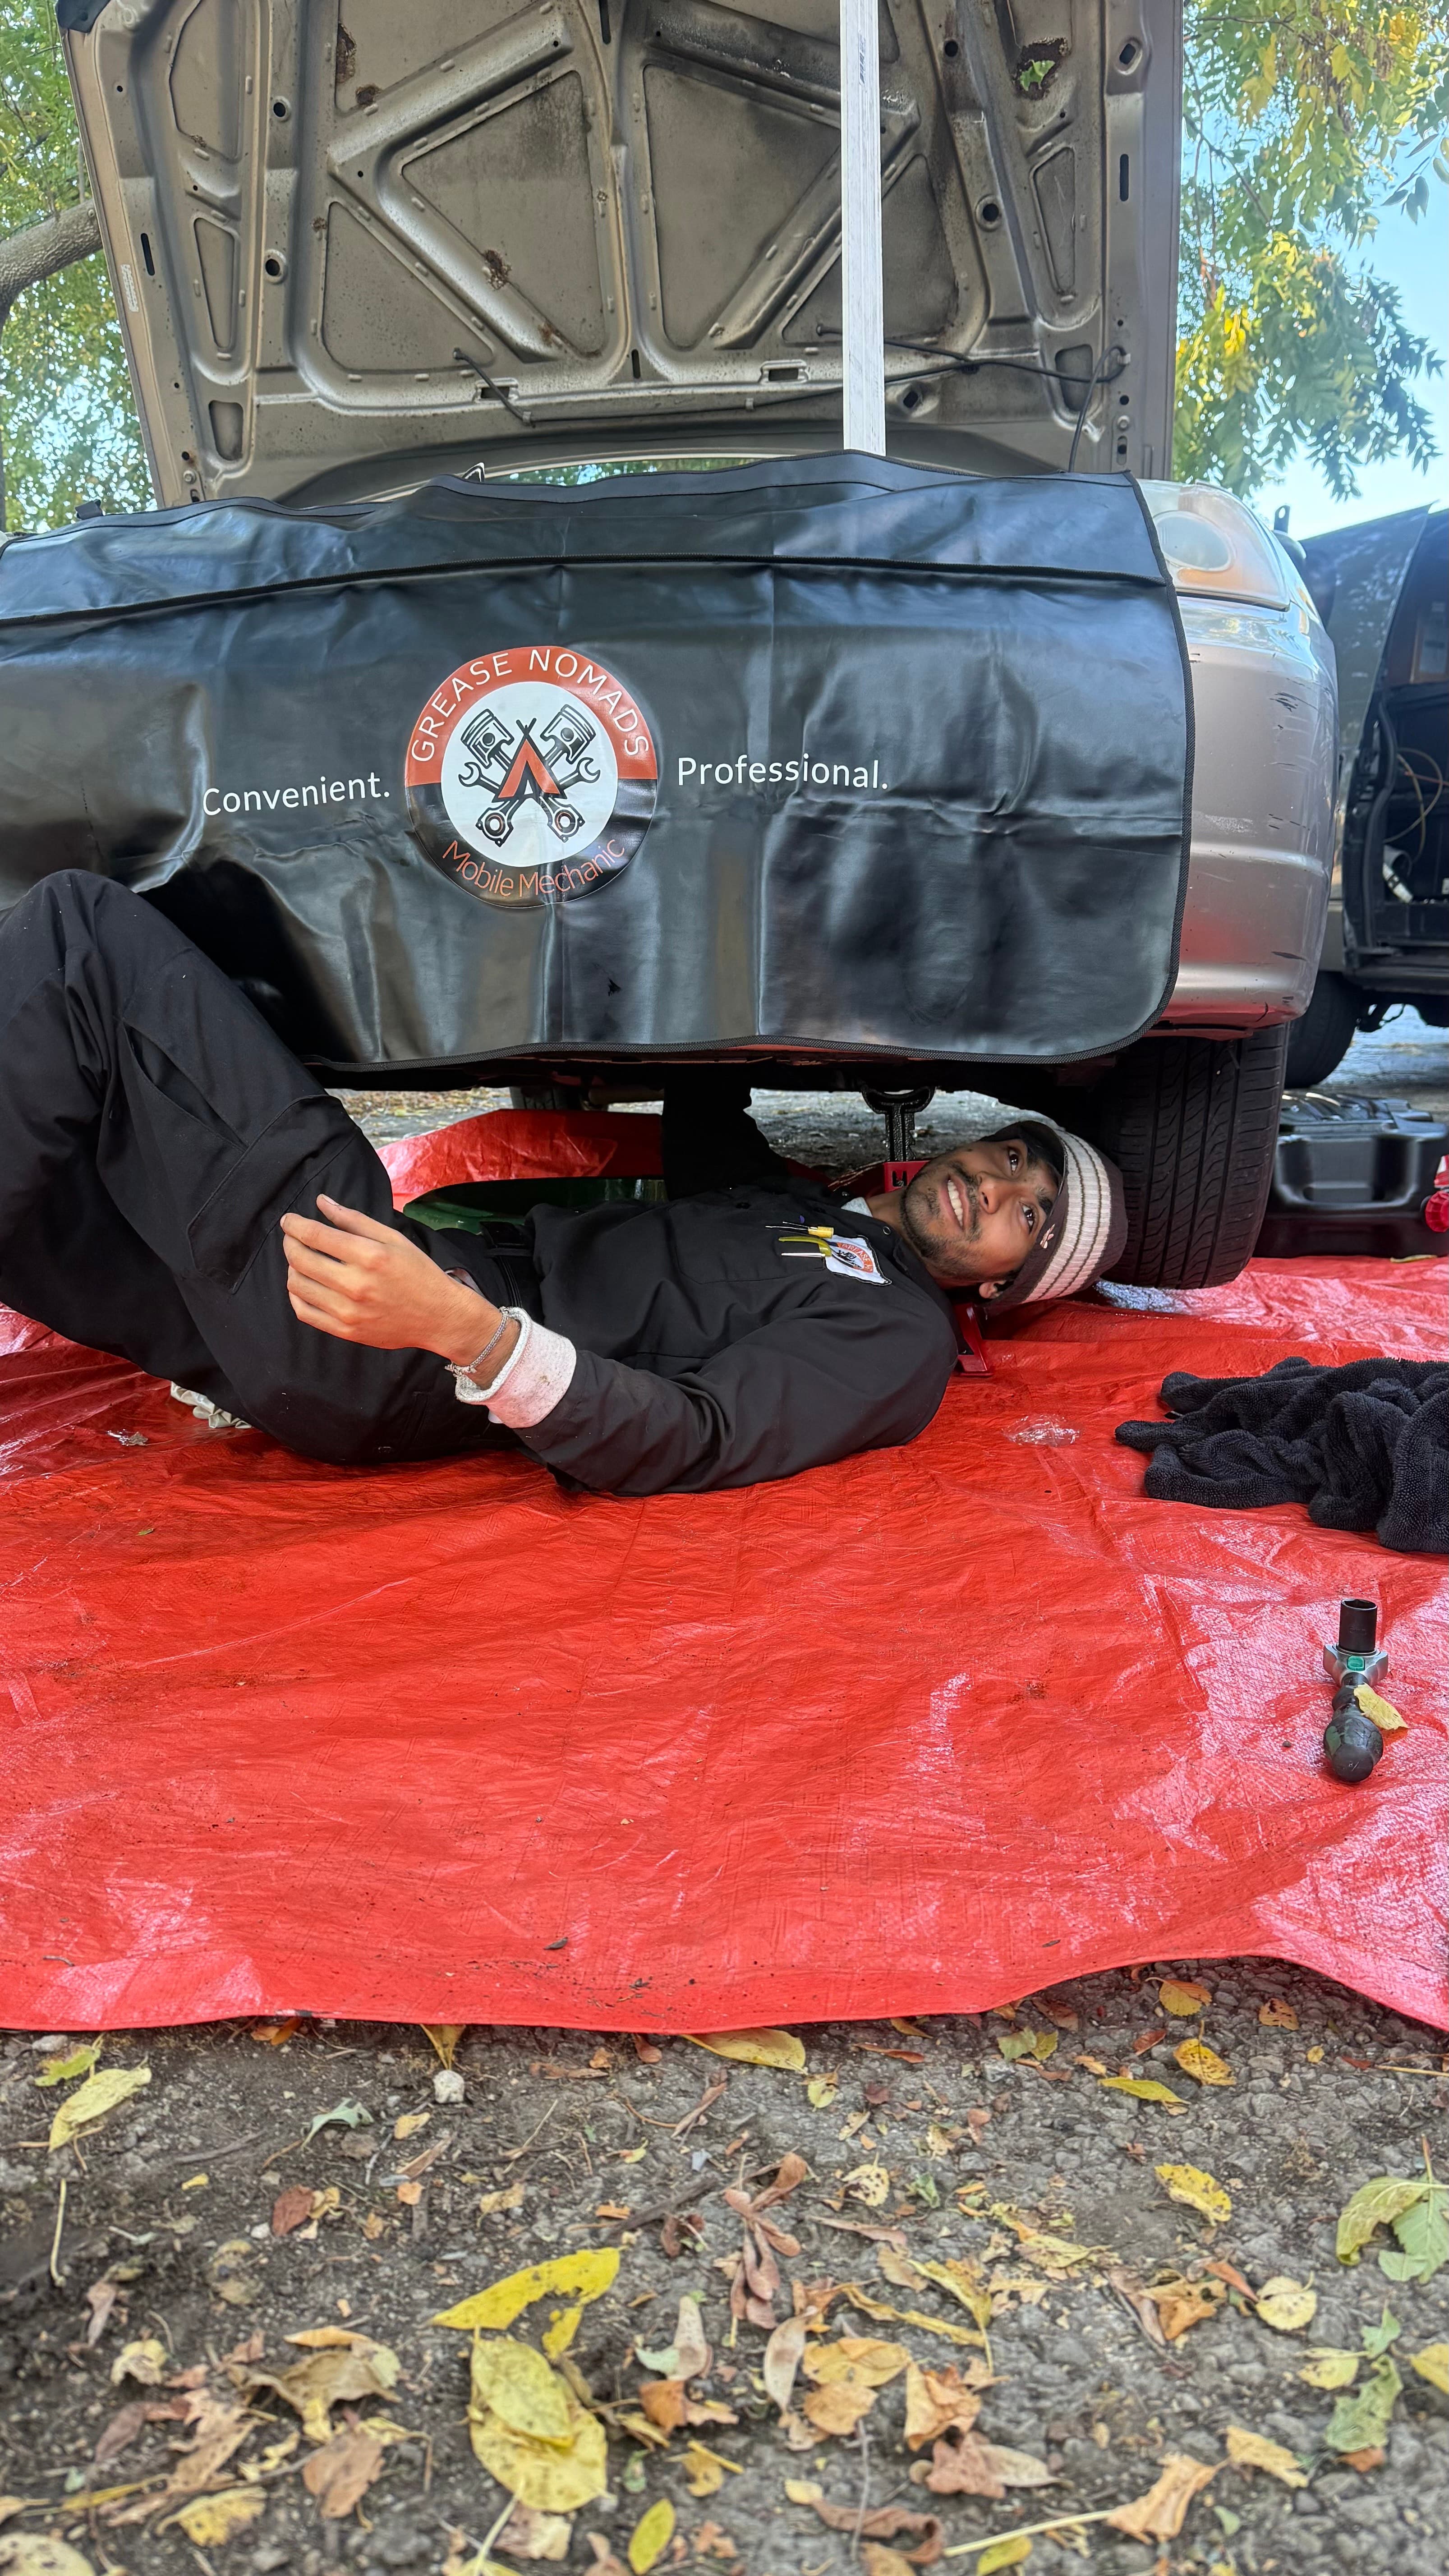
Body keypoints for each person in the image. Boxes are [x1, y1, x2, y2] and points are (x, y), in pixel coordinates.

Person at [0, 873, 1127, 1496]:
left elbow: (696, 1435)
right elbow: (707, 1085)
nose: (995, 1187)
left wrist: (467, 1334)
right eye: (1015, 1155)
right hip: (366, 1327)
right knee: (40, 1204)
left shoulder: (896, 1340)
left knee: (79, 938)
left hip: (401, 1337)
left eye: (1029, 1219)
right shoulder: (797, 1208)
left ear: (1002, 1289)